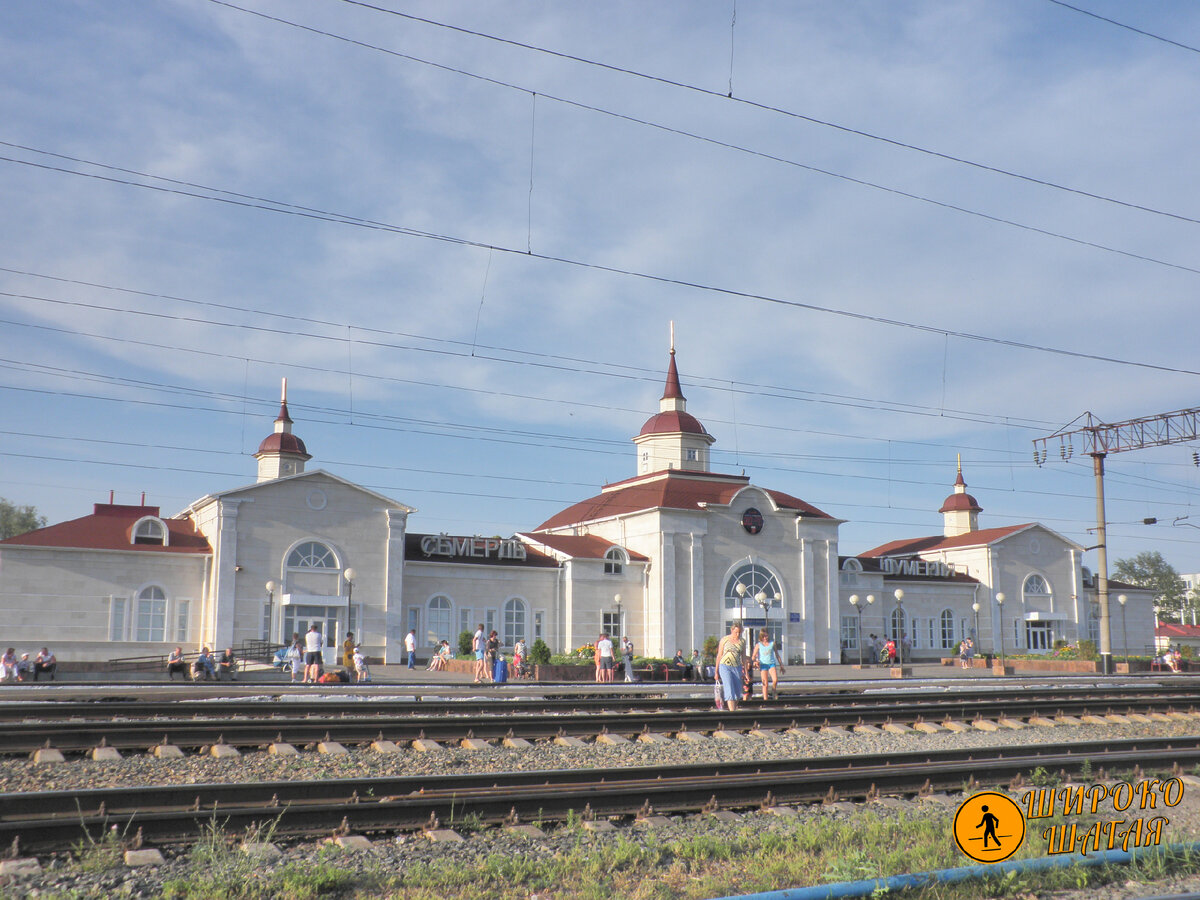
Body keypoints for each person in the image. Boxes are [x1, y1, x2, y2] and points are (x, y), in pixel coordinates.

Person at [716, 623, 745, 711]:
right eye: (736, 632)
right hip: (725, 666)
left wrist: (746, 672)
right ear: (732, 630)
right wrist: (716, 671)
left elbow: (743, 657)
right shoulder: (724, 639)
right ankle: (732, 713)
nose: (738, 634)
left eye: (739, 632)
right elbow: (719, 655)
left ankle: (733, 709)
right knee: (729, 690)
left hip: (737, 667)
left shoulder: (742, 641)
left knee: (737, 693)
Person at [755, 629, 780, 701]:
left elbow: (777, 655)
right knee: (765, 683)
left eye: (766, 636)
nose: (765, 638)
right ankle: (765, 700)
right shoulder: (758, 645)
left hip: (771, 664)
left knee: (775, 680)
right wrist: (756, 661)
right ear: (761, 637)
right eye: (763, 636)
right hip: (763, 665)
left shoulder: (772, 643)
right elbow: (753, 656)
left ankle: (773, 690)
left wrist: (781, 665)